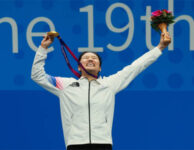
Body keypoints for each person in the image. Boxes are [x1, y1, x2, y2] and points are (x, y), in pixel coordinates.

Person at [31, 32, 171, 150]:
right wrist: (43, 48)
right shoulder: (65, 85)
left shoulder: (109, 84)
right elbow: (37, 75)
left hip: (103, 143)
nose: (90, 59)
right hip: (75, 144)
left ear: (100, 68)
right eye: (85, 58)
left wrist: (160, 47)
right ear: (79, 67)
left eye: (94, 58)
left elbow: (136, 67)